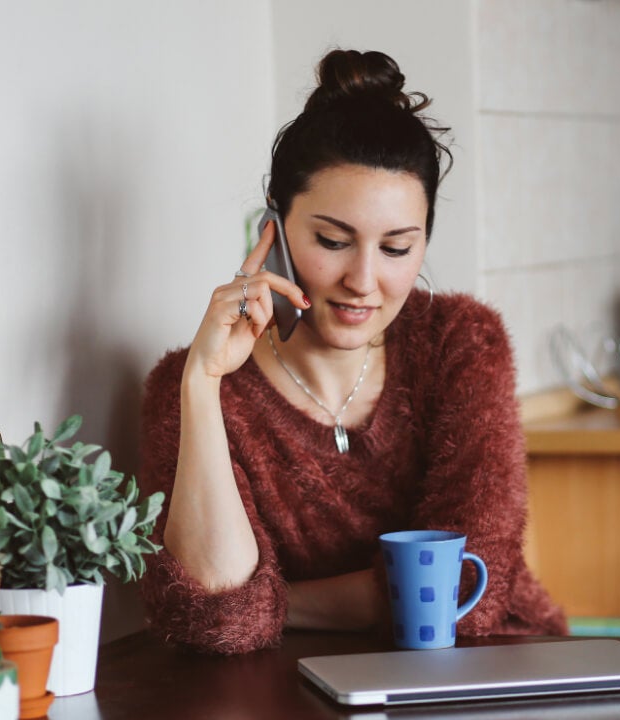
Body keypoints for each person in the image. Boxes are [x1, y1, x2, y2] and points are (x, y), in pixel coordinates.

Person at [139, 49, 566, 654]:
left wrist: (272, 603)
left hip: (498, 668)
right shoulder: (189, 388)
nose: (364, 280)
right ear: (274, 231)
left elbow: (463, 598)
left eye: (396, 249)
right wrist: (203, 382)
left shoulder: (460, 343)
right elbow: (218, 622)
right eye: (334, 241)